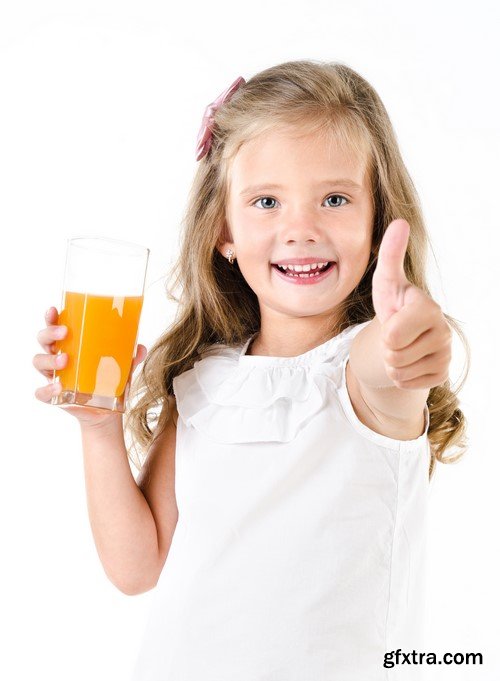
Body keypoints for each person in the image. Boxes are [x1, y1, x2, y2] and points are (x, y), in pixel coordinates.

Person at [33, 60, 470, 680]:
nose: (301, 229)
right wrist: (98, 426)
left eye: (336, 199)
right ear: (223, 232)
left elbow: (387, 369)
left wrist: (406, 339)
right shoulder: (206, 382)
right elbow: (138, 568)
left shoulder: (364, 375)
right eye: (267, 202)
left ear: (376, 226)